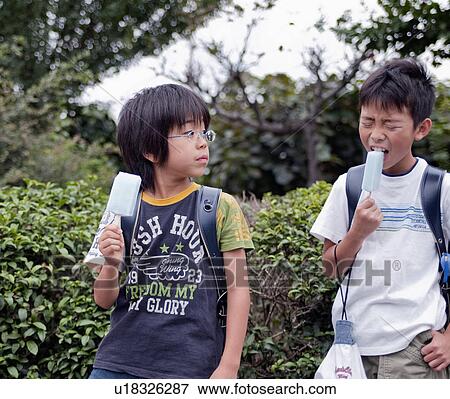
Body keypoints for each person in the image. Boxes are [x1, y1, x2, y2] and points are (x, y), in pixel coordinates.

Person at [88, 84, 254, 379]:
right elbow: (103, 299)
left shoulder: (219, 206)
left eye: (205, 133)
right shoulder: (124, 207)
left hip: (192, 369)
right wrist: (111, 263)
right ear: (150, 149)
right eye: (190, 134)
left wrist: (229, 366)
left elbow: (238, 289)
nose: (203, 143)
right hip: (117, 366)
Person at [310, 59, 450, 378]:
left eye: (390, 124)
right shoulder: (349, 185)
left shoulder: (440, 188)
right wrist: (357, 233)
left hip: (416, 351)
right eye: (368, 121)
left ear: (421, 128)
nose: (376, 135)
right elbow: (331, 267)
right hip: (352, 348)